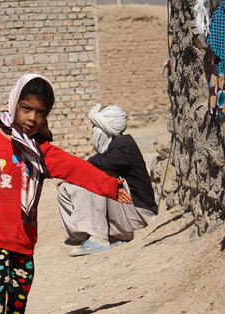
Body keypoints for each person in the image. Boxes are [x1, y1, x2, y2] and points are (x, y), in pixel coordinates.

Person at [0, 74, 132, 314]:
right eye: (26, 108)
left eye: (40, 112)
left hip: (24, 231)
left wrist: (112, 186)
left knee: (22, 281)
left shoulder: (41, 149)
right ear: (14, 103)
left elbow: (77, 168)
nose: (32, 118)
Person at [57, 104, 158, 257]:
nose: (92, 132)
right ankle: (85, 233)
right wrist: (72, 178)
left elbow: (103, 164)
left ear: (102, 128)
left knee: (101, 175)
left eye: (94, 127)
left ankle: (99, 238)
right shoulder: (116, 146)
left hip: (138, 216)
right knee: (66, 188)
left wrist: (82, 169)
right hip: (124, 216)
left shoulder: (123, 144)